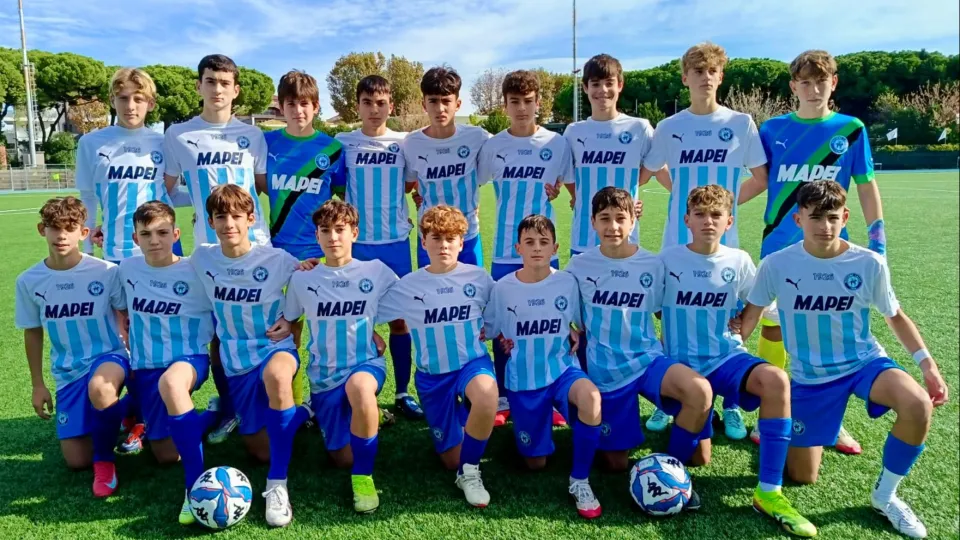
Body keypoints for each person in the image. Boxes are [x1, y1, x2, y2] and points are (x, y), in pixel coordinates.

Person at [737, 180, 948, 539]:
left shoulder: (868, 263)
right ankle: (822, 428)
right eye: (815, 217)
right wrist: (732, 349)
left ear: (845, 216)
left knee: (916, 405)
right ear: (797, 218)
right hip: (810, 378)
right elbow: (752, 314)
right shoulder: (777, 264)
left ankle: (886, 496)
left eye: (833, 217)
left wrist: (927, 364)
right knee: (803, 476)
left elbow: (894, 316)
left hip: (863, 364)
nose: (825, 226)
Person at [738, 49, 887, 452]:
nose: (813, 88)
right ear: (793, 86)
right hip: (780, 248)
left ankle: (830, 421)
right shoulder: (772, 129)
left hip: (831, 250)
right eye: (805, 82)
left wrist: (878, 238)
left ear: (833, 84)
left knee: (830, 335)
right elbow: (758, 182)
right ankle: (771, 414)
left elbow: (866, 185)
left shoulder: (851, 129)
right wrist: (719, 205)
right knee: (774, 327)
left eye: (821, 81)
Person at [658, 185, 815, 537]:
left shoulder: (739, 261)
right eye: (700, 214)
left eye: (716, 215)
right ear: (687, 220)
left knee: (776, 380)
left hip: (725, 357)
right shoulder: (667, 260)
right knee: (700, 458)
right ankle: (683, 449)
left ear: (729, 221)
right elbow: (650, 303)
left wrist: (744, 325)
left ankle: (769, 492)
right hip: (682, 368)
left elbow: (762, 302)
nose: (708, 222)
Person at [639, 42, 768, 438]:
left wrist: (726, 208)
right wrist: (672, 192)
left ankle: (731, 404)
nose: (704, 77)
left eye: (712, 71)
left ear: (720, 76)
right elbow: (646, 172)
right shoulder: (669, 127)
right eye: (697, 71)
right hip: (677, 239)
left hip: (721, 243)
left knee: (727, 315)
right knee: (673, 313)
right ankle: (675, 398)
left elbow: (761, 178)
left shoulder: (741, 123)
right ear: (685, 78)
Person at [565, 187, 711, 509]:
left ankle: (673, 473)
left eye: (621, 218)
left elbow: (666, 308)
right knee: (615, 464)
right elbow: (564, 312)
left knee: (700, 394)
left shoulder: (652, 264)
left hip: (647, 359)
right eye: (605, 219)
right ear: (592, 222)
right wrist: (570, 331)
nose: (613, 226)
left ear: (633, 221)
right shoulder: (578, 266)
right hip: (606, 370)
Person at [163, 54, 271, 445]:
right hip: (207, 249)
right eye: (211, 81)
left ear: (236, 89)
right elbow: (167, 188)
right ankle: (228, 408)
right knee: (218, 332)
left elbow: (263, 188)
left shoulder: (253, 135)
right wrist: (198, 203)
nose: (218, 89)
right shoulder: (178, 134)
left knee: (265, 328)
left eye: (225, 82)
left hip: (255, 246)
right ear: (199, 86)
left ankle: (277, 405)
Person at [189, 184, 311, 527]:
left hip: (274, 348)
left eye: (237, 216)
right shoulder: (202, 258)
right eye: (221, 216)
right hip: (235, 358)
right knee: (260, 451)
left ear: (251, 219)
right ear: (211, 222)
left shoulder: (277, 259)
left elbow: (311, 285)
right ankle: (301, 413)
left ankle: (277, 486)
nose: (229, 223)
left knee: (277, 377)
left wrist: (291, 321)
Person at [76, 67, 178, 455]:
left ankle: (149, 415)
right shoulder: (92, 143)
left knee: (157, 338)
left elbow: (172, 191)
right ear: (113, 101)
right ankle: (129, 416)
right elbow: (87, 197)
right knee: (124, 337)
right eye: (123, 98)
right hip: (115, 256)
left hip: (159, 257)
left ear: (150, 102)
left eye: (139, 98)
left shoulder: (163, 141)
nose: (131, 105)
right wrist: (86, 249)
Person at [378, 205, 498, 508]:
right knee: (449, 459)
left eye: (450, 238)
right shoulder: (408, 286)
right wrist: (371, 333)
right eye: (436, 238)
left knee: (486, 395)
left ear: (461, 242)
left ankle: (470, 473)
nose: (443, 245)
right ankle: (460, 423)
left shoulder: (479, 278)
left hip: (471, 363)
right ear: (423, 242)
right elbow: (365, 311)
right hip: (433, 376)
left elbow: (504, 308)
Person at [486, 215, 603, 519]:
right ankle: (536, 431)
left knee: (591, 397)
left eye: (543, 242)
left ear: (555, 248)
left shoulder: (567, 282)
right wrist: (503, 339)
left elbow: (582, 322)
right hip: (524, 378)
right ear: (518, 248)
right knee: (535, 463)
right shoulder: (502, 288)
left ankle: (580, 480)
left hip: (563, 369)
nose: (537, 248)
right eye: (529, 242)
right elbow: (490, 328)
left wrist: (574, 331)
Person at [284, 200, 394, 513]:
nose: (333, 237)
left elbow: (404, 302)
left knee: (360, 389)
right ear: (317, 236)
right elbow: (292, 321)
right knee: (341, 459)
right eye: (325, 231)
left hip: (365, 364)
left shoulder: (375, 271)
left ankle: (363, 477)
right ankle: (338, 411)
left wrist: (372, 328)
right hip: (325, 375)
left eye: (340, 230)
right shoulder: (303, 279)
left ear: (354, 233)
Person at [15, 197, 129, 497]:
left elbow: (126, 315)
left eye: (70, 227)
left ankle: (106, 463)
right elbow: (33, 332)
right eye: (54, 228)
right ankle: (124, 416)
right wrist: (37, 385)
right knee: (76, 460)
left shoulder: (106, 272)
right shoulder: (29, 281)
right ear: (42, 230)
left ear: (84, 232)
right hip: (68, 371)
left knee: (102, 388)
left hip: (109, 358)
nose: (61, 235)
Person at [477, 69, 570, 426]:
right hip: (504, 249)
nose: (521, 109)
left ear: (538, 103)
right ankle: (503, 395)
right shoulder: (494, 145)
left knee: (548, 323)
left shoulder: (556, 144)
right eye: (514, 102)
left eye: (527, 102)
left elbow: (567, 184)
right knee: (504, 326)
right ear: (505, 104)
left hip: (544, 250)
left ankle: (551, 392)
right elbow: (476, 181)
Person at [117, 201, 219, 525]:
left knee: (172, 384)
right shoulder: (126, 270)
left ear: (176, 234)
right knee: (165, 455)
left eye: (162, 232)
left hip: (187, 359)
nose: (155, 240)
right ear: (135, 238)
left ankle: (195, 489)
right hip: (146, 367)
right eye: (146, 234)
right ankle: (213, 414)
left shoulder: (195, 270)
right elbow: (118, 307)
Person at [335, 75, 423, 420]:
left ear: (392, 106)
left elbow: (411, 183)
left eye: (381, 102)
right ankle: (350, 389)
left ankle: (402, 393)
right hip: (357, 247)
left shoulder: (403, 143)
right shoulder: (343, 142)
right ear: (357, 106)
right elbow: (337, 187)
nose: (375, 109)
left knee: (400, 321)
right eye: (368, 103)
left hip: (396, 243)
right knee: (353, 320)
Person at [261, 69, 346, 408]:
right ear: (281, 107)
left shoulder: (333, 149)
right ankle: (293, 402)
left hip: (319, 254)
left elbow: (341, 200)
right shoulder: (266, 144)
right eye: (291, 103)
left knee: (325, 331)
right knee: (286, 328)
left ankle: (323, 399)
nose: (299, 110)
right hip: (279, 253)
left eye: (306, 104)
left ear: (316, 106)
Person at [563, 54, 661, 258]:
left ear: (620, 85)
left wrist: (632, 192)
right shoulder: (574, 132)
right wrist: (578, 197)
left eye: (609, 83)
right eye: (595, 84)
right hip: (584, 239)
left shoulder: (639, 128)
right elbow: (566, 174)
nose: (603, 90)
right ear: (585, 87)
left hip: (626, 238)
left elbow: (656, 165)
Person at [402, 66, 491, 268]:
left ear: (457, 104)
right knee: (432, 295)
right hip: (430, 237)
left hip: (467, 235)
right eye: (433, 101)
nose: (440, 108)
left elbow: (509, 148)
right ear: (423, 103)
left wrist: (553, 183)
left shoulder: (477, 136)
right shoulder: (412, 143)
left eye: (446, 101)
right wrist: (420, 193)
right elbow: (408, 184)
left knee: (473, 295)